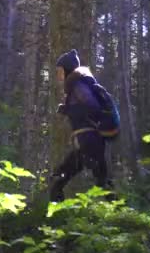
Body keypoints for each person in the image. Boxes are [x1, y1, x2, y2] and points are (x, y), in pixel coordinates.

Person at [49, 49, 114, 202]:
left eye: (60, 70)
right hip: (91, 140)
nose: (59, 75)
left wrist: (69, 109)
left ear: (68, 69)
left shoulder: (77, 85)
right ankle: (121, 215)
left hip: (89, 140)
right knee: (101, 180)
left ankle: (56, 214)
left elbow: (92, 108)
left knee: (60, 175)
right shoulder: (78, 85)